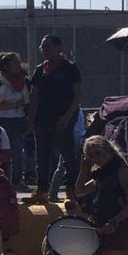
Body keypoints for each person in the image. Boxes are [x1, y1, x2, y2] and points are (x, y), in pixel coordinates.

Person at [27, 34, 83, 204]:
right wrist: (30, 118)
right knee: (42, 157)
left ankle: (72, 191)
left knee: (68, 156)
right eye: (42, 47)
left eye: (48, 47)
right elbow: (34, 96)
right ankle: (42, 190)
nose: (45, 50)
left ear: (58, 48)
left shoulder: (70, 68)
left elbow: (78, 95)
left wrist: (67, 118)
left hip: (62, 119)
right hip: (42, 119)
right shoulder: (39, 69)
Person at [0, 51, 30, 188]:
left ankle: (17, 180)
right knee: (2, 152)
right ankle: (2, 179)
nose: (18, 65)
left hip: (19, 119)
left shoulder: (25, 81)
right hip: (1, 120)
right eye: (14, 63)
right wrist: (17, 104)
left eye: (19, 62)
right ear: (6, 66)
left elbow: (29, 101)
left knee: (17, 151)